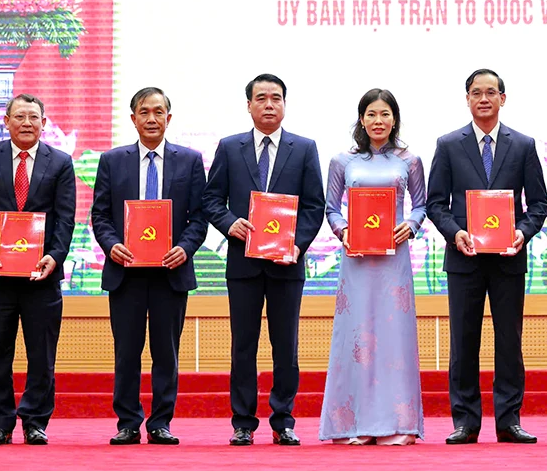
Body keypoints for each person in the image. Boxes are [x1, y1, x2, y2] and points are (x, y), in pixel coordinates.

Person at [425, 69, 547, 445]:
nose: (483, 98)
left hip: (509, 258)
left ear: (502, 98)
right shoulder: (448, 145)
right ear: (467, 99)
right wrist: (455, 232)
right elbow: (435, 203)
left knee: (508, 341)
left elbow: (539, 203)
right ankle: (466, 421)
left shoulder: (523, 145)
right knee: (464, 342)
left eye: (491, 92)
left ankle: (509, 420)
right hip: (465, 258)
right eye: (476, 92)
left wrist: (522, 233)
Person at [203, 73, 326, 446]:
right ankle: (243, 421)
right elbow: (211, 200)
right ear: (249, 105)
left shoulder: (304, 148)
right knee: (243, 344)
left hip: (287, 265)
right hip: (243, 264)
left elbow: (314, 206)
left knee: (285, 345)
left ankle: (283, 419)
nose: (269, 104)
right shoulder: (229, 147)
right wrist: (229, 224)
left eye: (275, 98)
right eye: (261, 98)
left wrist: (297, 244)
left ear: (285, 104)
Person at [91, 87, 208, 445]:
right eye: (144, 112)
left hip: (169, 273)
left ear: (169, 118)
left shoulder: (189, 160)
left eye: (159, 112)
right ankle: (127, 422)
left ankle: (160, 422)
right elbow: (100, 214)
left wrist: (184, 249)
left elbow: (199, 217)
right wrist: (112, 245)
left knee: (166, 353)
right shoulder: (112, 160)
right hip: (126, 271)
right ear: (133, 119)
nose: (152, 118)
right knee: (126, 352)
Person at [0, 94, 76, 445]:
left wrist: (55, 256)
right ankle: (0, 420)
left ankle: (34, 420)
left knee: (41, 354)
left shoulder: (59, 162)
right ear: (6, 120)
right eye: (20, 116)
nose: (26, 123)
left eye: (33, 117)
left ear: (44, 122)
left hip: (41, 276)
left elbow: (66, 217)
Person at [319, 89, 426, 445]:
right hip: (357, 260)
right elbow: (331, 208)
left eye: (384, 114)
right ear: (361, 119)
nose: (378, 121)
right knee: (356, 339)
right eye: (371, 114)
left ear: (394, 119)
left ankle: (397, 424)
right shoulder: (341, 161)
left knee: (394, 339)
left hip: (393, 262)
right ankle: (356, 425)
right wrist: (343, 231)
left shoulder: (410, 160)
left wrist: (409, 226)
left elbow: (421, 206)